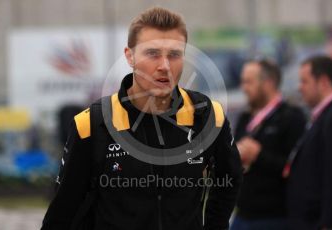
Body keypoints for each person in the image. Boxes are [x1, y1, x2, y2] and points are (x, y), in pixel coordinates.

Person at [41, 7, 243, 230]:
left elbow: (229, 180)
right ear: (130, 56)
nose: (164, 66)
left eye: (174, 54)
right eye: (153, 53)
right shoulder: (91, 124)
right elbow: (63, 210)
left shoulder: (208, 117)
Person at [230, 59, 306, 230]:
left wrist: (259, 155)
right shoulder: (245, 118)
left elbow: (296, 169)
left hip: (275, 217)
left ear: (268, 83)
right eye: (242, 81)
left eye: (249, 82)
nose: (244, 88)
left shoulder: (292, 117)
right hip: (242, 214)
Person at [287, 55, 332, 229]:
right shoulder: (324, 116)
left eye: (304, 81)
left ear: (323, 82)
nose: (299, 88)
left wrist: (328, 223)